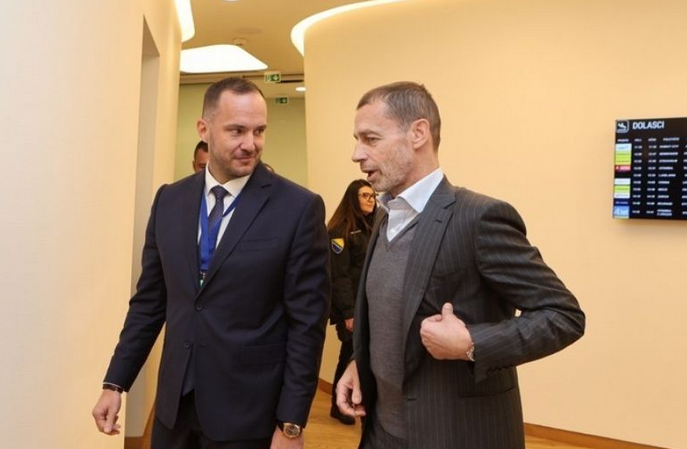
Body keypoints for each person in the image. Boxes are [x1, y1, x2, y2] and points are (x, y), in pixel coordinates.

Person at [335, 81, 585, 449]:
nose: (357, 154)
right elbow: (388, 315)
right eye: (357, 140)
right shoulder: (385, 216)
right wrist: (360, 360)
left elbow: (564, 316)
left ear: (418, 133)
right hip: (380, 432)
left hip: (454, 434)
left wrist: (471, 343)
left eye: (371, 139)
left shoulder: (479, 218)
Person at [92, 77, 330, 449]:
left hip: (248, 413)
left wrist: (291, 423)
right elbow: (149, 303)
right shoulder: (169, 201)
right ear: (204, 129)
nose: (250, 144)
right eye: (237, 130)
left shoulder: (298, 208)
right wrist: (115, 382)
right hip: (174, 409)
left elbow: (307, 325)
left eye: (259, 131)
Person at [326, 179, 376, 425]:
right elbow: (339, 275)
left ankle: (355, 401)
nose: (371, 200)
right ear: (352, 199)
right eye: (365, 195)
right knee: (349, 353)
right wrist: (348, 313)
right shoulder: (339, 230)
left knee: (362, 354)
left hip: (369, 304)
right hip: (351, 306)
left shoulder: (372, 226)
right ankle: (339, 405)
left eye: (373, 195)